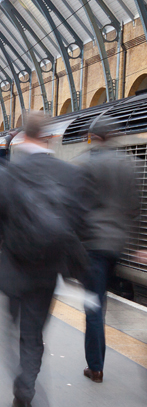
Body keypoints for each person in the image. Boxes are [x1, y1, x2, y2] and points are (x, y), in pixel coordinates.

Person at [0, 114, 89, 407]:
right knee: (33, 334)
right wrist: (76, 269)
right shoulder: (69, 174)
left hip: (13, 269)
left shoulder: (6, 175)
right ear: (48, 137)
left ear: (23, 139)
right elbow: (79, 225)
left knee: (8, 331)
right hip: (47, 271)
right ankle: (26, 385)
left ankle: (22, 386)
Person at [75, 117, 140, 383]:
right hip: (117, 245)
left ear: (94, 137)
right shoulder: (130, 164)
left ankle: (96, 366)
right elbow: (135, 208)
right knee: (105, 302)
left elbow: (76, 207)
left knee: (94, 305)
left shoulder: (84, 164)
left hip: (92, 246)